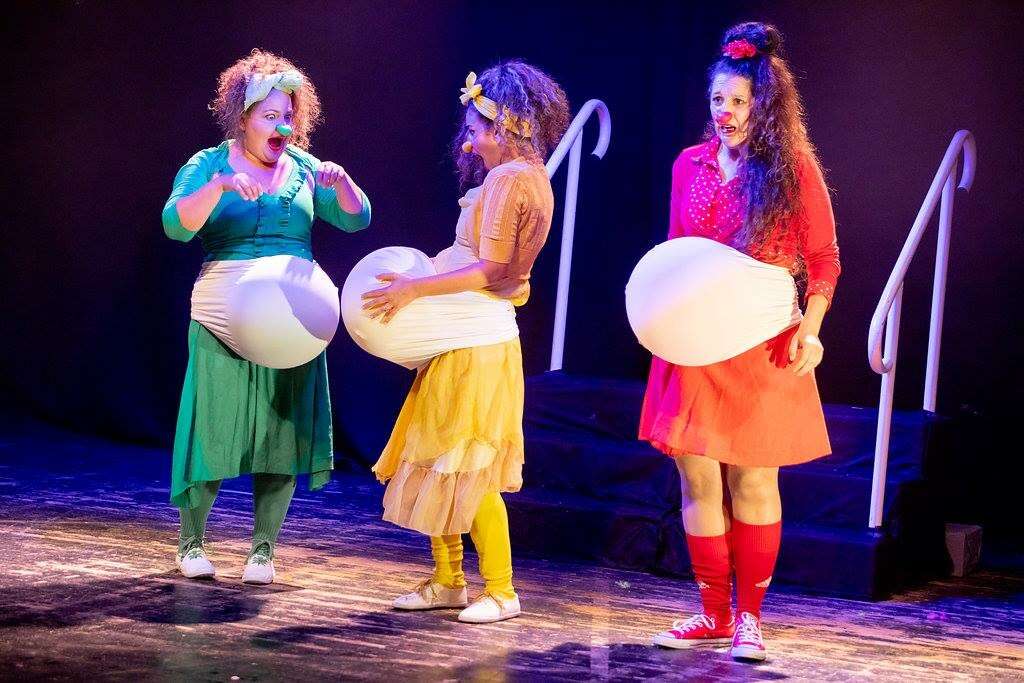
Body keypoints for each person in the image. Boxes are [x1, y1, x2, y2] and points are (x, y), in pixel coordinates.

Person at [641, 22, 841, 661]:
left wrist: (812, 330)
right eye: (717, 100)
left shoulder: (791, 169)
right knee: (697, 481)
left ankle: (749, 619)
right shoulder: (689, 164)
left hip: (760, 343)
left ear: (764, 106)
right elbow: (677, 253)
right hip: (695, 344)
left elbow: (825, 260)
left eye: (738, 101)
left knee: (753, 482)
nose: (724, 112)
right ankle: (713, 614)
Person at [363, 61, 569, 623]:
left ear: (506, 125)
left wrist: (414, 289)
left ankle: (500, 590)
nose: (470, 143)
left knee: (468, 467)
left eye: (477, 130)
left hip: (477, 338)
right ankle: (449, 580)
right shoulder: (526, 175)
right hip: (466, 333)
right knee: (441, 458)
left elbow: (492, 268)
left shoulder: (509, 179)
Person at [162, 49, 371, 584]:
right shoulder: (208, 164)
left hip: (292, 319)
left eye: (288, 116)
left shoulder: (304, 168)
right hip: (222, 314)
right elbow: (176, 225)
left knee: (281, 433)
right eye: (269, 115)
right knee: (212, 427)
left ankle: (263, 551)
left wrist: (343, 184)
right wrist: (220, 186)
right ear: (243, 117)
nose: (282, 126)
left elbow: (356, 219)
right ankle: (191, 543)